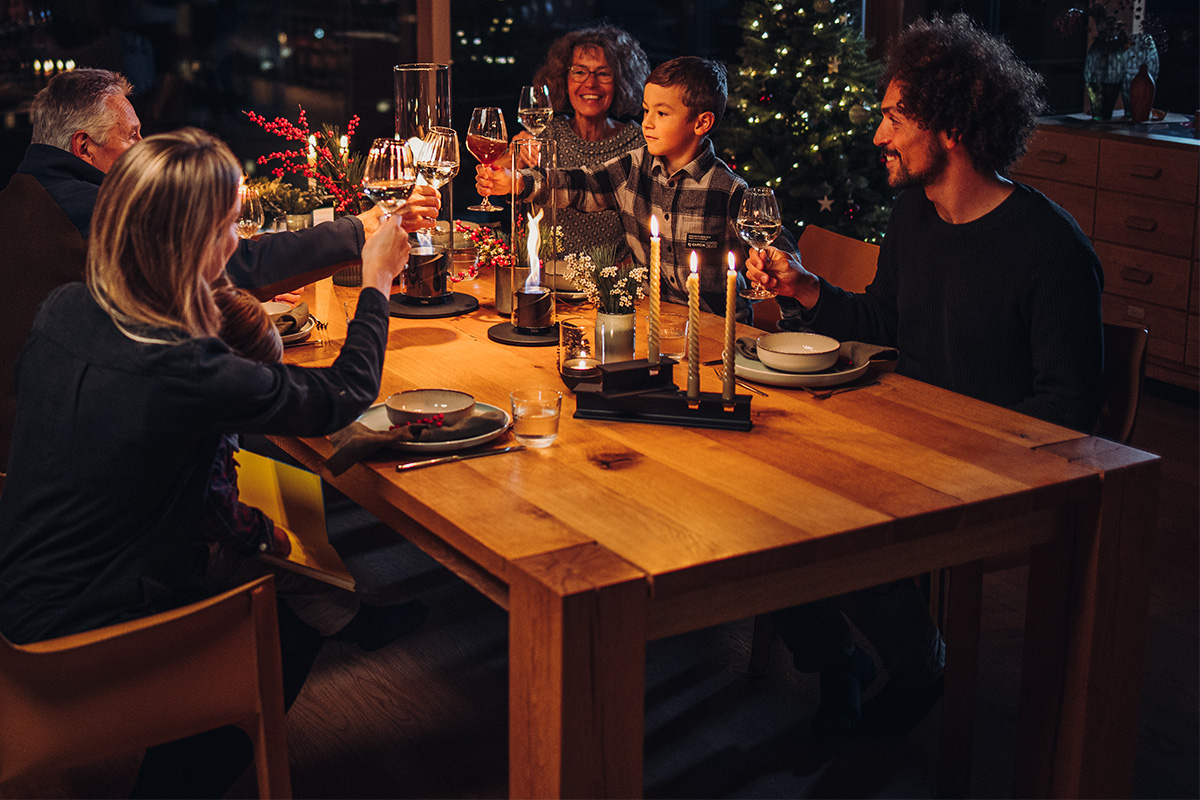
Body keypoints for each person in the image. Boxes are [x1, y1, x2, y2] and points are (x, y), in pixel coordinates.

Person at [0, 128, 410, 796]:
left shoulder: (67, 308)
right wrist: (377, 282)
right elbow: (339, 398)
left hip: (18, 598)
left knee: (282, 537)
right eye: (229, 227)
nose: (237, 241)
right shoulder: (181, 365)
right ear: (192, 243)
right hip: (73, 645)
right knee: (292, 611)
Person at [746, 13, 1105, 737]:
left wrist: (963, 451)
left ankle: (919, 662)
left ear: (951, 128)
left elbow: (1068, 412)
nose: (878, 136)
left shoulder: (1050, 250)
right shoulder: (914, 214)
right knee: (761, 487)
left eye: (894, 119)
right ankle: (835, 658)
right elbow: (884, 322)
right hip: (903, 434)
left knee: (828, 507)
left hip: (987, 469)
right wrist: (805, 289)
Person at [0, 67, 440, 469]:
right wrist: (374, 270)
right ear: (83, 146)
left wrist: (230, 294)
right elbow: (340, 394)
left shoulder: (28, 214)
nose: (140, 150)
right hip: (90, 472)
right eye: (132, 136)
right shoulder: (100, 214)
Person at [480, 55, 799, 324]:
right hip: (650, 320)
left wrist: (773, 273)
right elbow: (581, 183)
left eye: (661, 113)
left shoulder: (728, 190)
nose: (647, 122)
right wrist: (520, 182)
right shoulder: (634, 166)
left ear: (701, 124)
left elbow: (785, 263)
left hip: (716, 332)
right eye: (646, 111)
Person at [205, 285, 428, 651]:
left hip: (144, 535)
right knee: (296, 564)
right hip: (166, 560)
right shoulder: (202, 424)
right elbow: (216, 514)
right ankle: (352, 627)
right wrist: (268, 535)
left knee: (292, 515)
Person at [511, 24, 649, 257]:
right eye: (579, 71)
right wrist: (515, 153)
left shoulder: (639, 142)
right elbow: (497, 178)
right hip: (544, 277)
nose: (591, 83)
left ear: (621, 81)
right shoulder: (545, 133)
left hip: (611, 283)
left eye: (603, 73)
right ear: (563, 78)